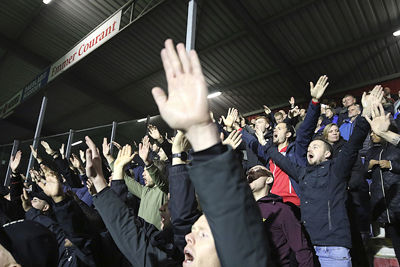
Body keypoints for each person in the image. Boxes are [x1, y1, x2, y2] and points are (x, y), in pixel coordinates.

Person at [260, 87, 382, 266]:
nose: (310, 148)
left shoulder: (337, 170)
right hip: (308, 248)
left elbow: (354, 143)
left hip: (334, 250)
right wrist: (265, 144)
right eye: (309, 147)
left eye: (316, 147)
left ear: (327, 154)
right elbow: (280, 160)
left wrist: (365, 114)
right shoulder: (302, 173)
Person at [247, 165, 315, 266]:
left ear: (269, 179)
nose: (251, 173)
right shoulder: (242, 209)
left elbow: (301, 249)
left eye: (257, 173)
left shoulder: (282, 210)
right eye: (248, 174)